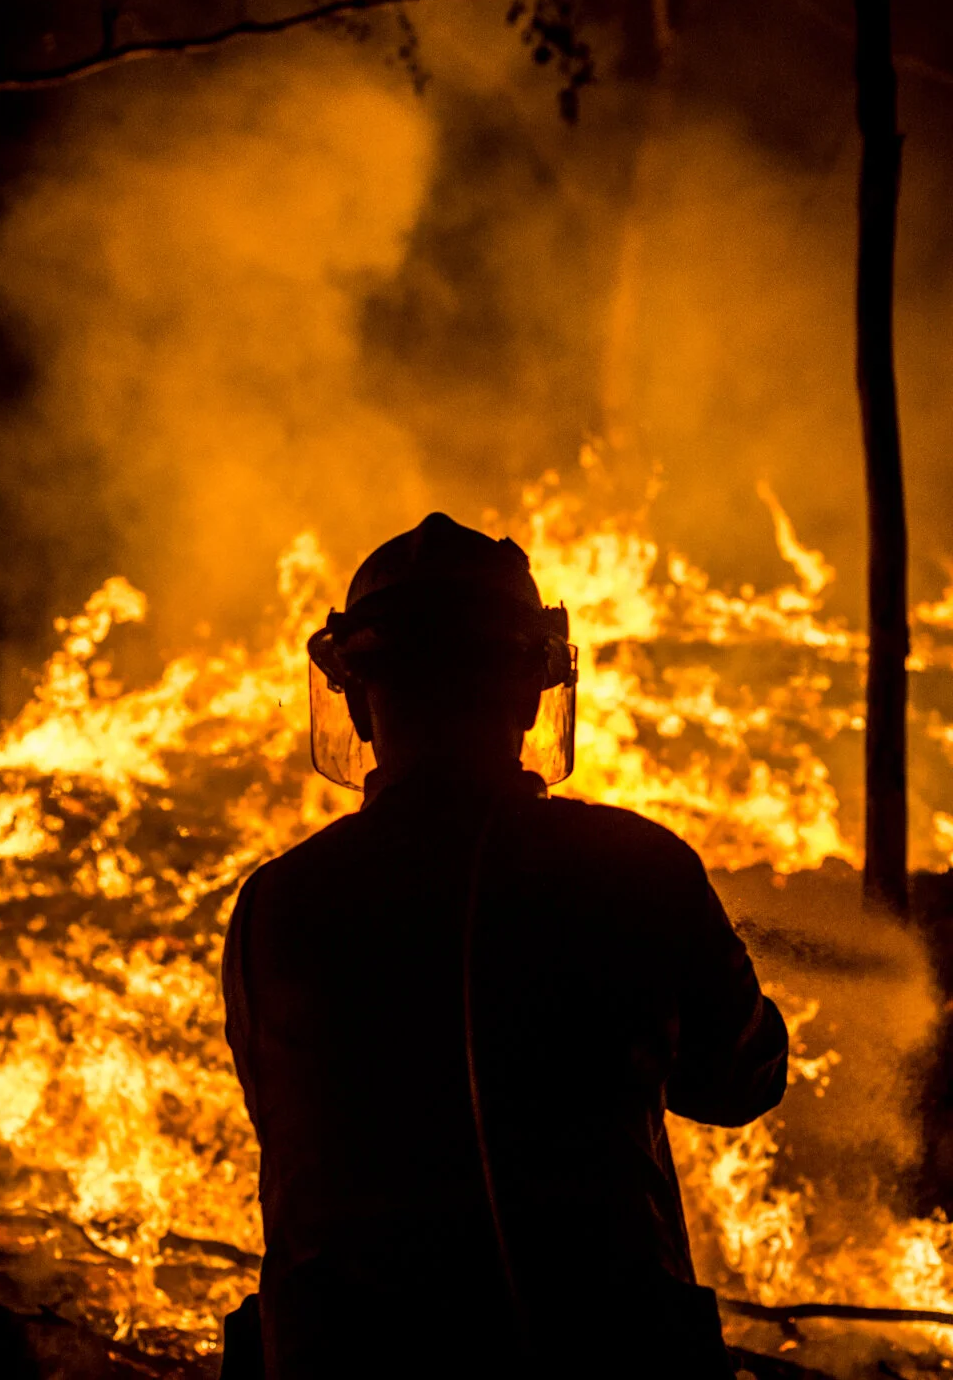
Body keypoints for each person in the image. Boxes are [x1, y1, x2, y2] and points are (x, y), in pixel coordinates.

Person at [222, 512, 788, 1378]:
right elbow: (738, 1083)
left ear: (358, 697)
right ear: (532, 688)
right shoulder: (634, 867)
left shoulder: (278, 904)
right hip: (597, 1352)